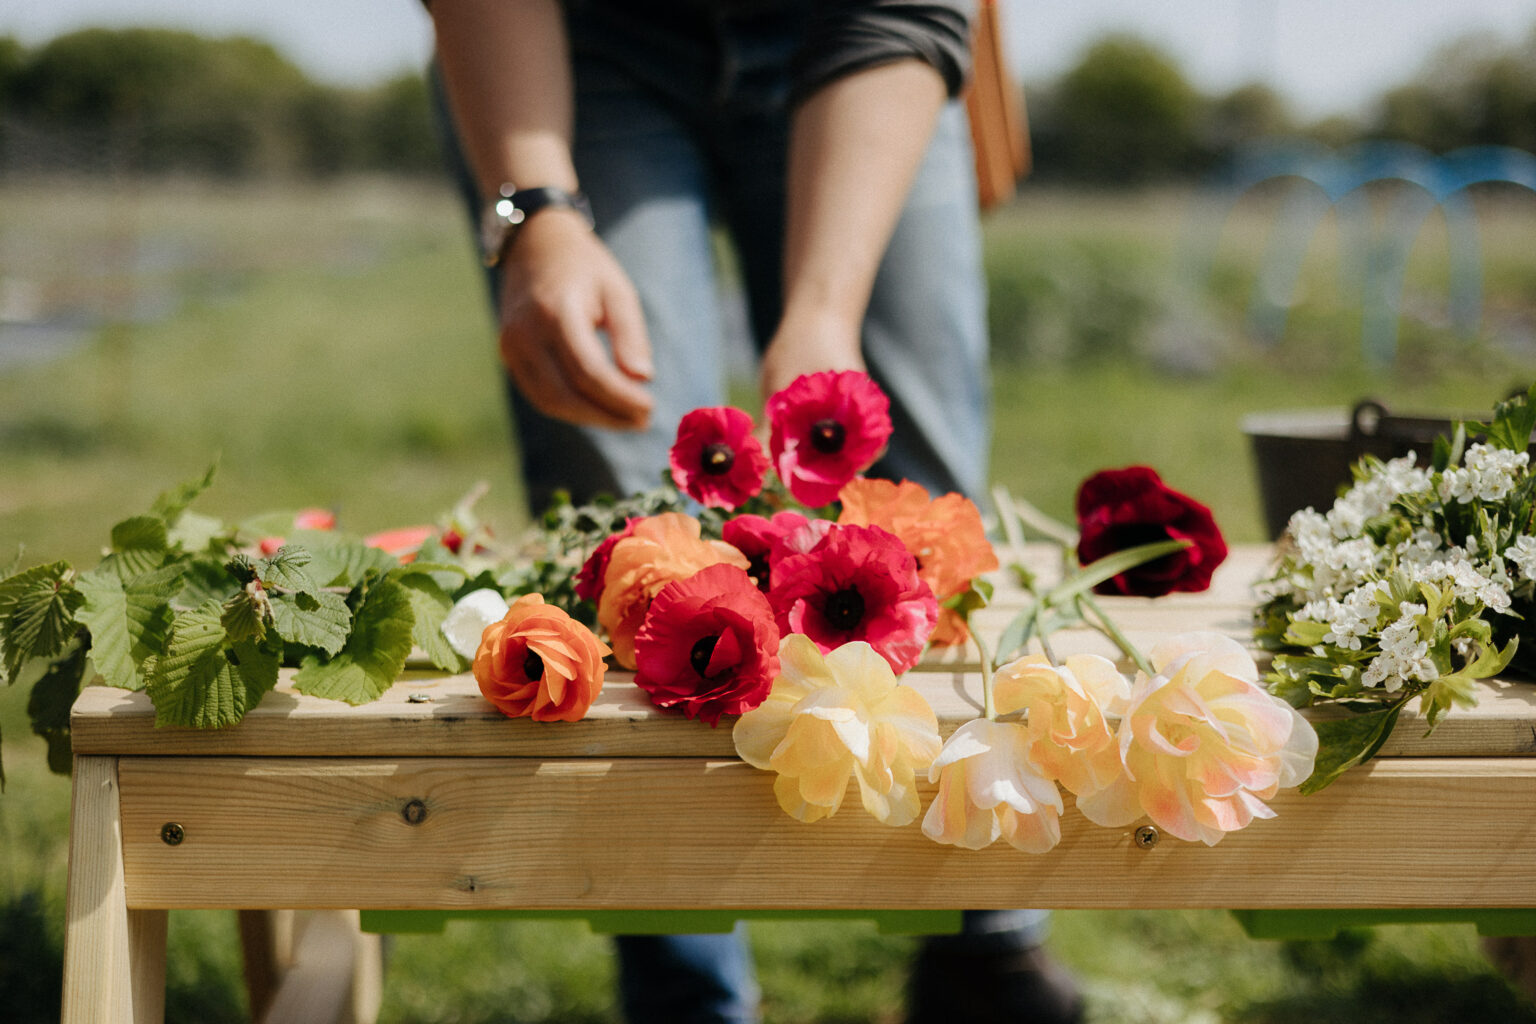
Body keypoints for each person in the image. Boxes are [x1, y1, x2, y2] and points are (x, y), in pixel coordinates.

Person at [426, 2, 1084, 1022]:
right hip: (582, 42)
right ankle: (686, 989)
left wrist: (824, 309)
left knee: (919, 507)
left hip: (871, 32)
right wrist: (539, 213)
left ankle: (983, 938)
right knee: (633, 543)